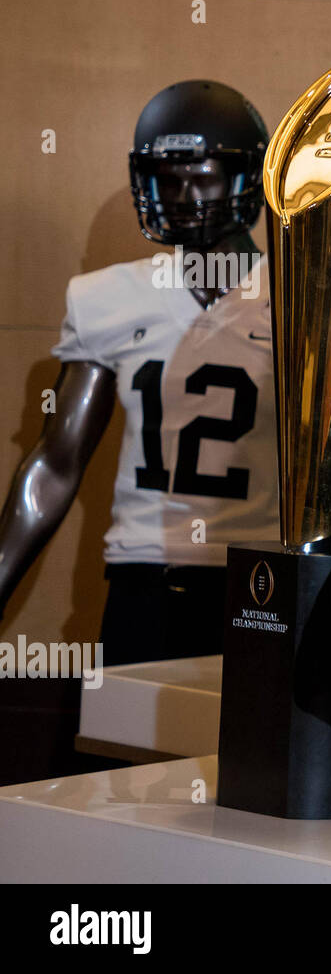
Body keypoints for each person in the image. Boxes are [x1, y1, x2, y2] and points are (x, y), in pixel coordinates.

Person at [0, 80, 279, 666]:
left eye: (203, 175)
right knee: (127, 754)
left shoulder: (305, 297)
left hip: (264, 581)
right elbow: (55, 462)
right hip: (141, 579)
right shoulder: (108, 297)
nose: (184, 194)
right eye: (167, 177)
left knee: (249, 756)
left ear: (249, 178)